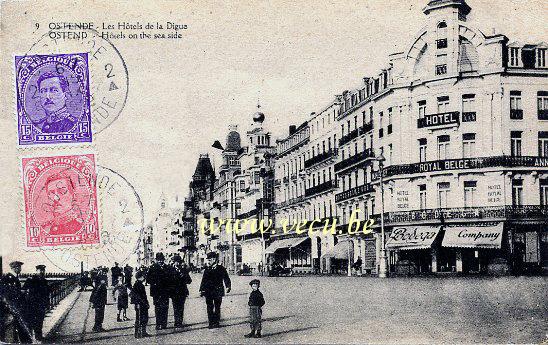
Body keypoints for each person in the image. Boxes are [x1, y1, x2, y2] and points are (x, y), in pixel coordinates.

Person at [1, 261, 32, 343]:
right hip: (13, 306)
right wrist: (20, 292)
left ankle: (22, 340)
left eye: (20, 267)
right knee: (18, 325)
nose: (20, 269)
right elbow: (8, 293)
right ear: (14, 268)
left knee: (19, 326)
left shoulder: (14, 277)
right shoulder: (8, 278)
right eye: (18, 267)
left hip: (16, 305)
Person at [199, 252, 231, 329]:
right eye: (208, 260)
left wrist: (228, 286)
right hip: (208, 291)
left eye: (209, 260)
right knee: (209, 307)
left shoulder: (221, 268)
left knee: (217, 307)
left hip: (218, 291)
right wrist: (201, 290)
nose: (208, 262)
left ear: (214, 259)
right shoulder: (207, 269)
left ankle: (216, 322)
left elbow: (226, 278)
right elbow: (204, 280)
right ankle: (210, 322)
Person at [22, 264, 51, 341]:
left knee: (40, 320)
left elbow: (47, 294)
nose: (42, 272)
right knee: (32, 321)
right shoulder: (31, 280)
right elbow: (24, 290)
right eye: (40, 270)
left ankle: (39, 336)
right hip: (32, 304)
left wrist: (47, 304)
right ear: (36, 271)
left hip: (41, 305)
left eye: (43, 270)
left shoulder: (45, 281)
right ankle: (31, 337)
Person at [147, 252, 170, 330]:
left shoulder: (167, 267)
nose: (160, 261)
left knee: (165, 307)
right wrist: (155, 282)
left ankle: (164, 324)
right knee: (157, 308)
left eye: (161, 260)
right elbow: (148, 279)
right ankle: (158, 323)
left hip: (165, 292)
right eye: (159, 260)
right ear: (156, 260)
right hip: (156, 292)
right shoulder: (152, 268)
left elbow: (170, 279)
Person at [169, 255, 192, 328]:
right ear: (174, 262)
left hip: (182, 292)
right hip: (174, 292)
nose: (178, 263)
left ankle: (180, 322)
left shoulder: (184, 270)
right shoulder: (170, 270)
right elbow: (168, 281)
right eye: (176, 262)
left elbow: (189, 281)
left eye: (179, 262)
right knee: (175, 307)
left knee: (181, 307)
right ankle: (176, 322)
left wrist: (184, 276)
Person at [131, 271, 151, 338]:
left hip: (141, 304)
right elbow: (134, 295)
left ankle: (142, 332)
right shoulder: (138, 285)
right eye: (143, 276)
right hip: (140, 304)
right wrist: (139, 303)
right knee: (140, 319)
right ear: (141, 277)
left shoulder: (138, 284)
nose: (144, 277)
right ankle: (139, 333)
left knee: (142, 318)